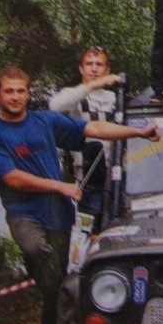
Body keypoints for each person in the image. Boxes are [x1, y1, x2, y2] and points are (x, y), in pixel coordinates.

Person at [0, 66, 160, 324]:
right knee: (37, 251)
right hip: (24, 214)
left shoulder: (45, 121)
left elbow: (94, 129)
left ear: (28, 93)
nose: (15, 97)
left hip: (59, 215)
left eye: (20, 91)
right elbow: (12, 178)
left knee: (57, 285)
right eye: (9, 91)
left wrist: (138, 132)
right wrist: (59, 186)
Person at [49, 46, 121, 218]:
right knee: (90, 227)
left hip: (117, 177)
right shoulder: (73, 95)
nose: (94, 68)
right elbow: (55, 106)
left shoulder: (116, 99)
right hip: (87, 178)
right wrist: (91, 86)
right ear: (81, 68)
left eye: (99, 64)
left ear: (107, 69)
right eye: (89, 64)